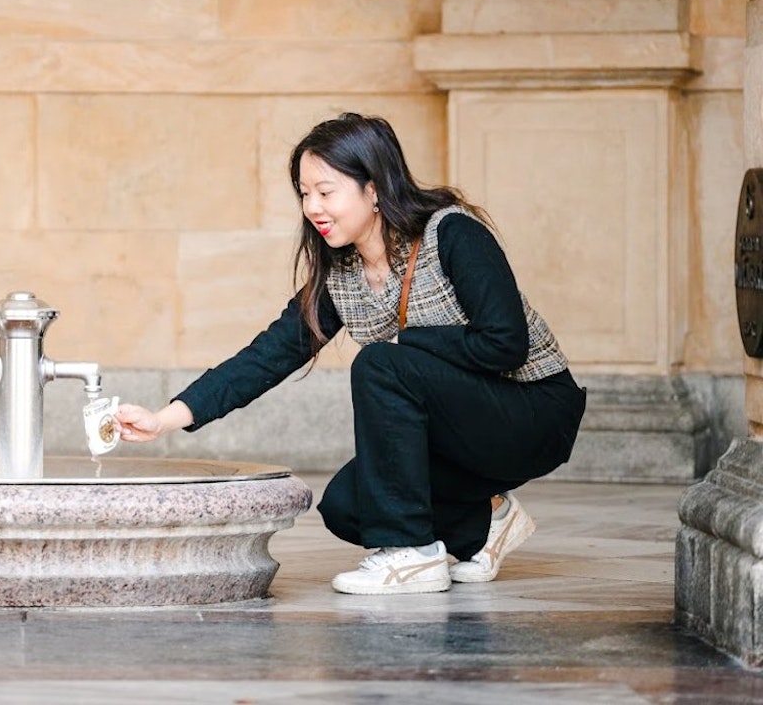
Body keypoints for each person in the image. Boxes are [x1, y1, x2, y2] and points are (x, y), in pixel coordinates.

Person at [114, 112, 586, 596]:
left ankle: (413, 556)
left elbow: (506, 343)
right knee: (348, 504)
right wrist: (164, 419)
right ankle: (488, 521)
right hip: (461, 431)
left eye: (326, 191)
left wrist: (406, 343)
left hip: (534, 413)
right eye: (304, 193)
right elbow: (264, 358)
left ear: (374, 189)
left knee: (381, 363)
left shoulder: (452, 235)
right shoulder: (339, 275)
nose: (313, 207)